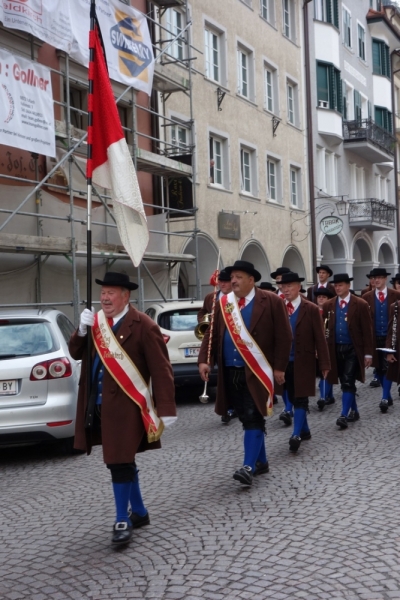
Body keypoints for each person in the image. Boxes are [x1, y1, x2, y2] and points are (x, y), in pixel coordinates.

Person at [69, 272, 176, 546]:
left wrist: (165, 408)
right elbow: (76, 353)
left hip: (128, 406)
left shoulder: (144, 326)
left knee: (118, 462)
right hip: (98, 404)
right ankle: (139, 511)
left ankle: (122, 519)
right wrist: (81, 331)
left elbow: (161, 370)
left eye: (111, 293)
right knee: (123, 460)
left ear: (125, 296)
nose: (105, 298)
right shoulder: (95, 324)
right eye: (103, 293)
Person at [198, 260, 292, 486]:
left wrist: (279, 367)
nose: (233, 281)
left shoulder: (270, 301)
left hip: (257, 370)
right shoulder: (224, 303)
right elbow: (212, 334)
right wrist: (204, 360)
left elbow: (284, 336)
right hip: (230, 370)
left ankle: (248, 466)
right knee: (244, 415)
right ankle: (261, 461)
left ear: (252, 280)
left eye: (239, 277)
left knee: (253, 414)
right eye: (232, 277)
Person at [280, 272, 330, 452]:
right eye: (283, 287)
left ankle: (296, 434)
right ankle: (305, 429)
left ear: (298, 287)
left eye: (289, 286)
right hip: (284, 362)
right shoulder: (278, 307)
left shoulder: (310, 309)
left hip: (304, 360)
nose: (285, 290)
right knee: (292, 396)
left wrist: (324, 363)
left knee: (301, 397)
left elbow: (320, 338)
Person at [322, 273, 373, 429]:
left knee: (348, 380)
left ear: (348, 286)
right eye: (336, 286)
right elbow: (324, 329)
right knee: (344, 381)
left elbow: (367, 330)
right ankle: (354, 411)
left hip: (352, 348)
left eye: (341, 285)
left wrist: (368, 353)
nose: (337, 288)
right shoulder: (328, 305)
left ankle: (343, 415)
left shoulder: (361, 304)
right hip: (335, 348)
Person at [362, 268, 400, 413]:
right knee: (379, 368)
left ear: (385, 279)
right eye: (374, 278)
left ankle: (384, 397)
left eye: (379, 278)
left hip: (391, 336)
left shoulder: (396, 295)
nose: (376, 280)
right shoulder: (367, 297)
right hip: (374, 336)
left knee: (387, 366)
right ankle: (388, 395)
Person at [313, 287, 336, 410]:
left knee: (327, 372)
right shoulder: (312, 311)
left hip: (330, 346)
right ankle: (325, 396)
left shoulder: (332, 312)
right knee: (321, 372)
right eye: (319, 297)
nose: (321, 299)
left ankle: (325, 396)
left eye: (324, 297)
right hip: (315, 348)